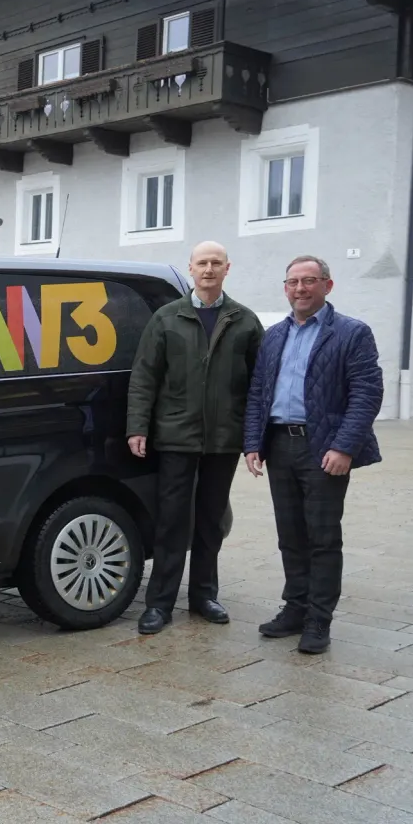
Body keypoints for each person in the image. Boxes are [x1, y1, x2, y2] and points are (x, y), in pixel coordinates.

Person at [243, 255, 382, 654]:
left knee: (322, 537)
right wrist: (253, 442)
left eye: (309, 281)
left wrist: (344, 447)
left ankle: (319, 620)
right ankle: (295, 608)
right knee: (290, 534)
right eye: (293, 282)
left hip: (324, 447)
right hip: (279, 444)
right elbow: (258, 393)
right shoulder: (273, 336)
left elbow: (367, 394)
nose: (300, 289)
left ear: (327, 285)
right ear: (285, 288)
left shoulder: (352, 333)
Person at [126, 241, 264, 635]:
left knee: (210, 520)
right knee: (171, 522)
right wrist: (137, 426)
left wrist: (254, 438)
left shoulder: (245, 321)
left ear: (227, 269)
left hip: (224, 440)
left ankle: (204, 596)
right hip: (175, 437)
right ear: (191, 268)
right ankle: (159, 604)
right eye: (202, 262)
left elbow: (259, 385)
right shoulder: (167, 318)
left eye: (215, 263)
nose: (208, 269)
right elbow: (145, 376)